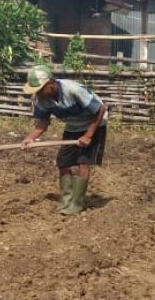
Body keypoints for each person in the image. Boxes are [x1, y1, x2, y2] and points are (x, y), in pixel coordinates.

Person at [20, 64, 108, 216]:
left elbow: (101, 108)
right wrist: (30, 138)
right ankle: (66, 200)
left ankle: (77, 204)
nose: (38, 94)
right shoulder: (42, 100)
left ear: (51, 83)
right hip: (73, 126)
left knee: (83, 161)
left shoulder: (72, 89)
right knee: (63, 161)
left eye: (40, 89)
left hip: (95, 123)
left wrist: (88, 135)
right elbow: (43, 122)